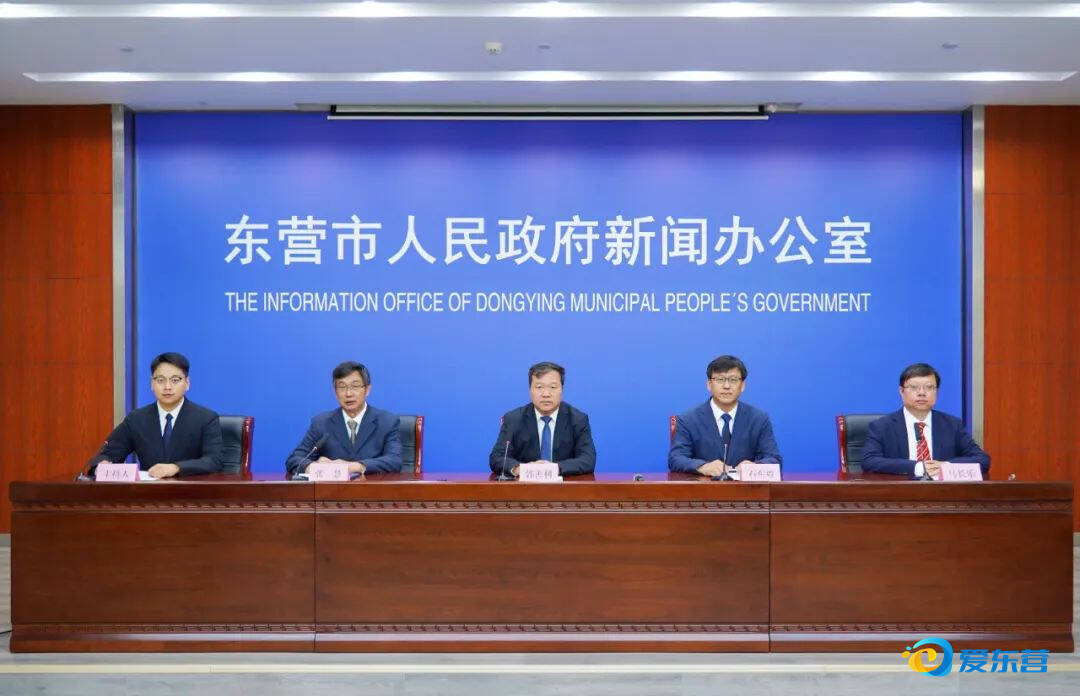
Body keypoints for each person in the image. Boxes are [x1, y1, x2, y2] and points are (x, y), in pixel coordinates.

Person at [88, 352, 223, 478]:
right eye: (160, 380)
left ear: (187, 383)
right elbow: (108, 454)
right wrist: (102, 464)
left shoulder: (206, 419)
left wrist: (176, 468)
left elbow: (214, 461)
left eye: (175, 380)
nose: (167, 387)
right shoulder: (137, 419)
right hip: (148, 492)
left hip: (190, 492)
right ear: (152, 384)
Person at [862, 362, 990, 478]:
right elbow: (869, 461)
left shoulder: (952, 425)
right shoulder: (882, 426)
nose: (922, 393)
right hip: (900, 491)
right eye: (914, 387)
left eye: (929, 387)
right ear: (901, 391)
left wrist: (945, 466)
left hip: (942, 492)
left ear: (936, 392)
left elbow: (982, 459)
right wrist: (918, 467)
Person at [668, 355, 782, 476]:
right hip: (704, 486)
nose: (726, 386)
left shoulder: (758, 419)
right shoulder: (688, 420)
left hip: (745, 487)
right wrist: (703, 467)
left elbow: (774, 459)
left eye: (733, 380)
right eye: (720, 379)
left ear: (743, 385)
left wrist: (754, 467)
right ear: (709, 384)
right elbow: (676, 459)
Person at [285, 361, 402, 477]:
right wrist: (314, 467)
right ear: (335, 393)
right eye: (342, 387)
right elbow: (294, 459)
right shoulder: (321, 423)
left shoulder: (387, 421)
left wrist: (355, 466)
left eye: (355, 386)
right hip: (333, 489)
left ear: (367, 390)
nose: (348, 393)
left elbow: (395, 461)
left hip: (373, 488)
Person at [489, 361, 596, 477]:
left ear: (562, 389)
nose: (546, 394)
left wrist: (553, 469)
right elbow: (497, 457)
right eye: (539, 387)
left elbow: (588, 459)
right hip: (524, 486)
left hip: (564, 486)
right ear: (530, 390)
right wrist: (520, 469)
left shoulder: (577, 419)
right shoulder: (513, 419)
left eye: (553, 387)